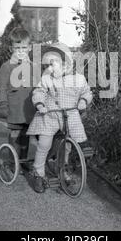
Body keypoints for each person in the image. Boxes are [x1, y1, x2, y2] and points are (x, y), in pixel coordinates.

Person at [26, 42, 93, 193]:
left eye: (52, 64)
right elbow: (39, 92)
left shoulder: (78, 79)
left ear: (65, 64)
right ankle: (38, 173)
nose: (49, 68)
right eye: (48, 65)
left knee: (68, 142)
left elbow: (87, 92)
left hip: (68, 114)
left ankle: (69, 160)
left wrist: (83, 101)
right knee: (44, 143)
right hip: (49, 114)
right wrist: (40, 104)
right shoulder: (47, 79)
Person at [0, 27, 36, 158]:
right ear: (11, 49)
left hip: (28, 108)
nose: (20, 52)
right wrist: (3, 105)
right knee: (15, 133)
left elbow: (38, 86)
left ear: (29, 48)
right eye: (17, 49)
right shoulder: (6, 67)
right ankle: (14, 161)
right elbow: (1, 88)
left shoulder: (32, 67)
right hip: (14, 108)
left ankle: (23, 160)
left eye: (23, 48)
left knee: (25, 133)